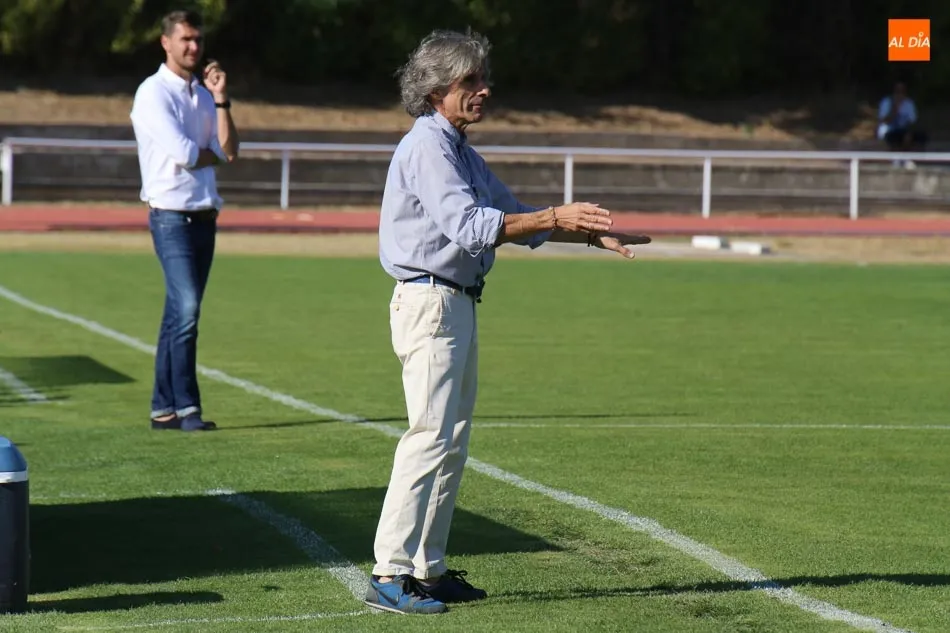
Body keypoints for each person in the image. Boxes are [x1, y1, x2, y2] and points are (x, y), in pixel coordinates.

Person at [366, 29, 651, 615]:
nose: (483, 90)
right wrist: (556, 215)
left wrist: (590, 234)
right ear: (435, 88)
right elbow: (472, 226)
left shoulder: (460, 151)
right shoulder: (426, 146)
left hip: (455, 301)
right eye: (470, 81)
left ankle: (428, 567)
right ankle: (389, 571)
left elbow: (516, 216)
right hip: (430, 302)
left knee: (450, 442)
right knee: (428, 437)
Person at [129, 9, 239, 432]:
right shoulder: (152, 94)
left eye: (198, 39)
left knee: (180, 312)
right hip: (170, 215)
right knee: (187, 309)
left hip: (204, 214)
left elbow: (229, 150)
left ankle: (164, 409)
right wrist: (210, 154)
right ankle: (188, 408)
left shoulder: (204, 93)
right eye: (185, 39)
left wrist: (223, 98)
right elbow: (188, 154)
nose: (193, 47)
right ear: (166, 42)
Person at [877, 81, 927, 164]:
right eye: (898, 90)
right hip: (889, 129)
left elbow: (913, 121)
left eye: (902, 91)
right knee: (893, 137)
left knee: (915, 136)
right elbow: (884, 120)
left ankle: (907, 159)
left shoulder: (909, 103)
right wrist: (895, 108)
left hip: (904, 130)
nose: (900, 93)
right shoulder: (886, 102)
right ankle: (896, 159)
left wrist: (908, 132)